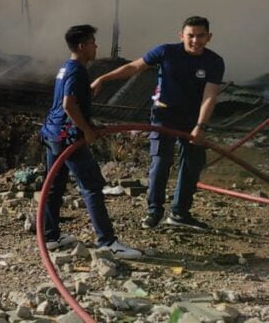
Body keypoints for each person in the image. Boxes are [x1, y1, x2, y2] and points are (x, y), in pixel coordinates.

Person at [91, 16, 224, 230]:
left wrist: (200, 126)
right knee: (161, 163)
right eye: (191, 35)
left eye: (200, 36)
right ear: (181, 35)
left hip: (192, 118)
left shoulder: (214, 62)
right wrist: (103, 78)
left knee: (192, 163)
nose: (195, 40)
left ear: (209, 37)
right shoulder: (166, 52)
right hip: (164, 115)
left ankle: (180, 213)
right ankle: (154, 212)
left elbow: (210, 95)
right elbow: (134, 67)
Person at [39, 25, 142, 258]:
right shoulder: (77, 71)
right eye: (93, 43)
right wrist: (86, 130)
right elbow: (68, 105)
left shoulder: (65, 68)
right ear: (82, 46)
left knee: (54, 186)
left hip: (53, 133)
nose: (96, 47)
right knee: (92, 186)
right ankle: (108, 243)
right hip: (68, 136)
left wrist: (91, 126)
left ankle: (50, 236)